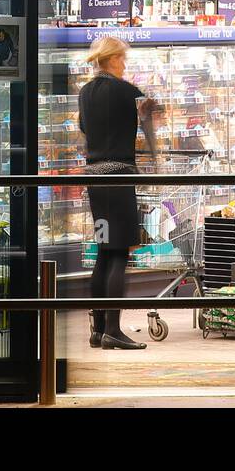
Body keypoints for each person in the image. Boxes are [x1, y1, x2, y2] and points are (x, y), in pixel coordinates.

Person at [78, 34, 158, 350]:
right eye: (123, 59)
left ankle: (98, 330)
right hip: (120, 176)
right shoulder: (126, 91)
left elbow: (84, 127)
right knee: (119, 253)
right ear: (113, 59)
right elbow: (147, 120)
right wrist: (153, 152)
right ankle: (113, 329)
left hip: (94, 179)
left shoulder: (85, 91)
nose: (125, 65)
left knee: (104, 251)